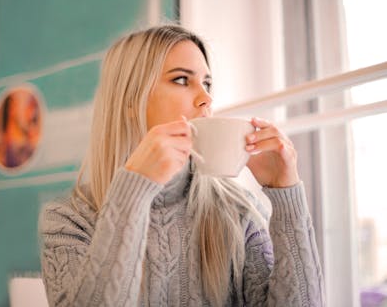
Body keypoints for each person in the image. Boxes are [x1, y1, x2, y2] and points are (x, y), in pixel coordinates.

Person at [39, 25, 325, 306]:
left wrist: (287, 197)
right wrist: (134, 190)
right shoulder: (68, 220)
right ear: (129, 100)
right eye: (181, 80)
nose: (206, 98)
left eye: (207, 83)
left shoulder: (240, 212)